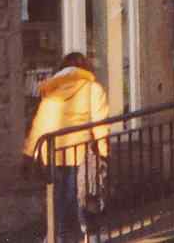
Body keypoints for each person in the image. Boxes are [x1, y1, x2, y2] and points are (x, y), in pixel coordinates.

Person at [23, 53, 111, 241]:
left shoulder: (52, 92)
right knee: (83, 197)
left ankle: (57, 237)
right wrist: (103, 153)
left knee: (57, 200)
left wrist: (29, 154)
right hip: (79, 153)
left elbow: (40, 125)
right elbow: (100, 124)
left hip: (52, 154)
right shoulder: (92, 89)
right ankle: (89, 237)